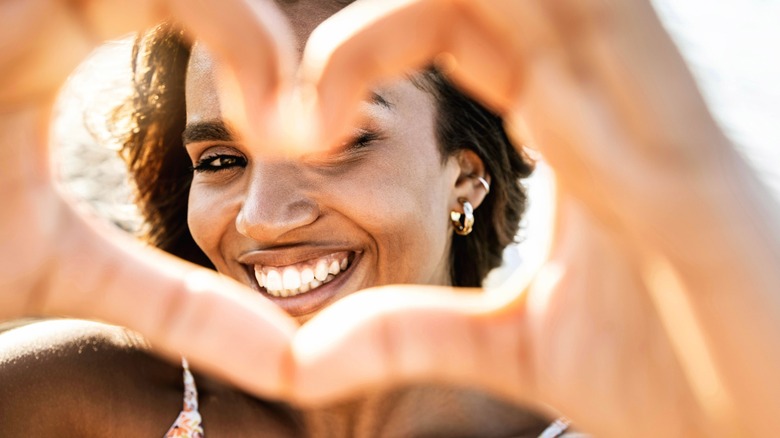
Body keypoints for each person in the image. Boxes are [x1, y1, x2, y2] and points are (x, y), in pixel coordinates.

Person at [1, 0, 779, 436]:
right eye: (220, 160)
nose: (265, 219)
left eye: (339, 144)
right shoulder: (70, 399)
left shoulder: (640, 417)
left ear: (465, 176)